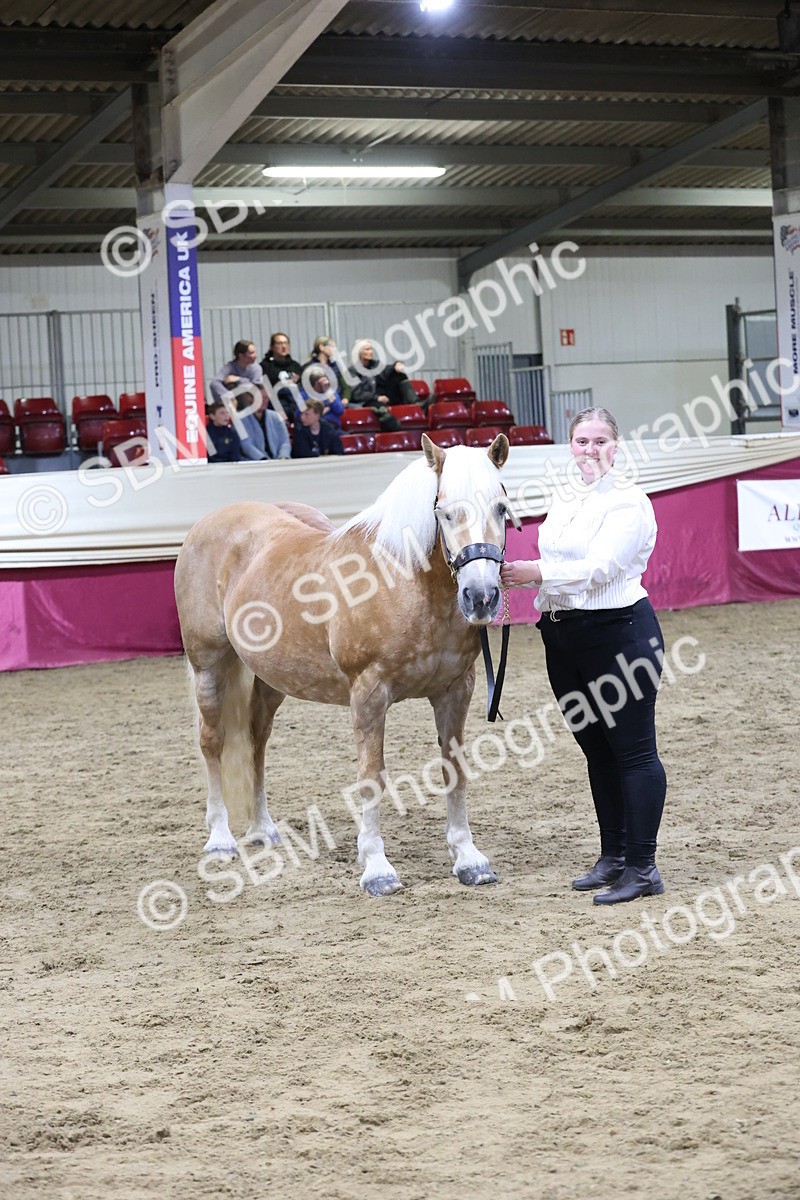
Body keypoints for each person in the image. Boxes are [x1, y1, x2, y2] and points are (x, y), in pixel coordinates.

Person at [500, 406, 667, 906]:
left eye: (599, 441)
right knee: (597, 750)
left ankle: (643, 866)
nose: (589, 450)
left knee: (634, 752)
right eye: (580, 441)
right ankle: (613, 855)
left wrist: (534, 573)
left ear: (616, 447)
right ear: (569, 446)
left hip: (619, 633)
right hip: (565, 637)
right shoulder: (566, 497)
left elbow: (600, 569)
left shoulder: (628, 501)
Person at [348, 340, 406, 432]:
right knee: (377, 405)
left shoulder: (374, 364)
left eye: (371, 349)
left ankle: (415, 403)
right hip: (367, 400)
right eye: (367, 349)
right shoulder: (352, 371)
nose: (370, 352)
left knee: (398, 375)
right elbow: (356, 394)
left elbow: (386, 369)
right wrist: (376, 397)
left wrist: (396, 365)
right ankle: (392, 424)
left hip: (379, 395)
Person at [229, 385, 290, 461]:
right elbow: (246, 445)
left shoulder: (276, 417)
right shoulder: (240, 419)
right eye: (261, 398)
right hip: (253, 463)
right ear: (250, 399)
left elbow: (285, 442)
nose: (264, 400)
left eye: (266, 398)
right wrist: (264, 459)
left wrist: (283, 457)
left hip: (278, 461)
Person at [261, 331, 303, 423]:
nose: (283, 346)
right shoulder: (265, 366)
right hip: (276, 401)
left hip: (295, 400)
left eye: (285, 343)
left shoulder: (295, 365)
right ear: (272, 347)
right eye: (279, 343)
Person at [302, 335, 351, 400]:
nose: (335, 349)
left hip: (337, 402)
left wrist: (346, 398)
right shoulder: (309, 367)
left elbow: (345, 386)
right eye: (332, 346)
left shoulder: (336, 366)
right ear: (322, 347)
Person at [300, 365, 345, 429]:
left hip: (332, 426)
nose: (324, 384)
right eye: (320, 383)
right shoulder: (304, 395)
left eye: (325, 381)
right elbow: (300, 416)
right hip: (311, 428)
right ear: (313, 384)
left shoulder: (331, 393)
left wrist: (327, 391)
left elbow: (340, 411)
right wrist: (327, 408)